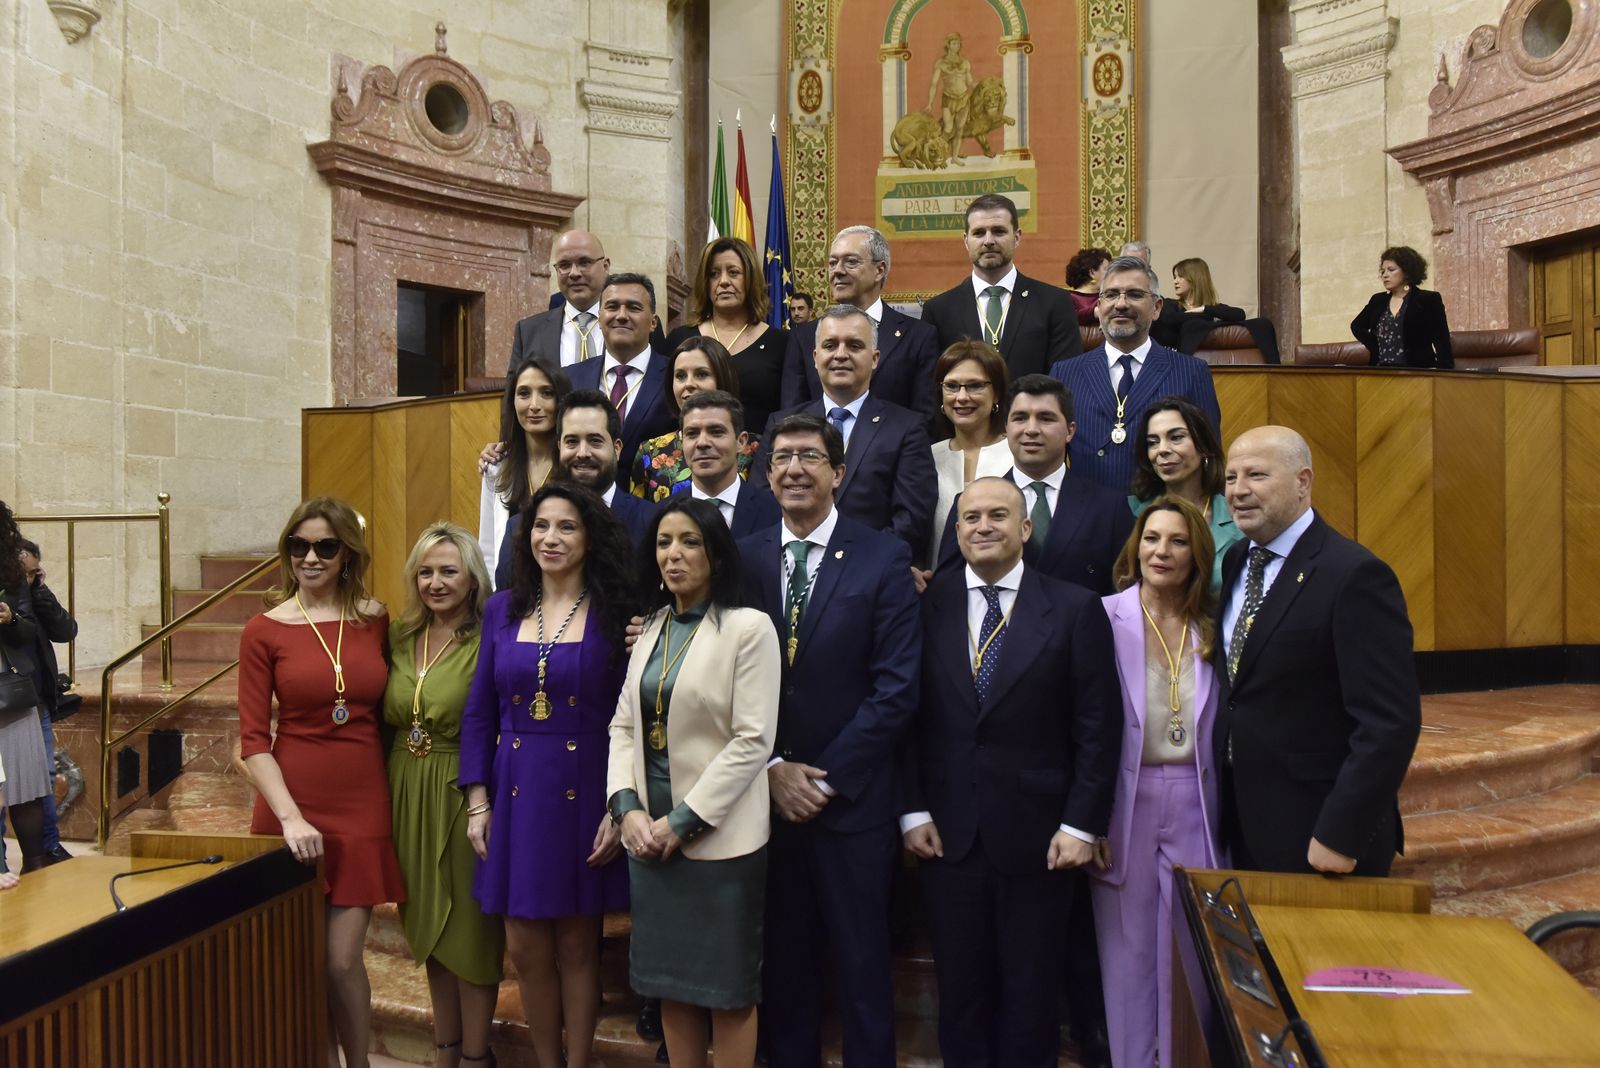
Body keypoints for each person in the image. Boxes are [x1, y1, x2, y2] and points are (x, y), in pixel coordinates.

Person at [902, 477, 1121, 1066]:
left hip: (1042, 837)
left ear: (1025, 529)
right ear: (955, 530)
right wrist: (912, 809)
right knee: (961, 995)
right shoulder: (926, 604)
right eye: (970, 517)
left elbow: (1098, 728)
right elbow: (906, 717)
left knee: (1032, 997)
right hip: (948, 834)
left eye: (999, 515)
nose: (983, 527)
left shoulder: (1075, 608)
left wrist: (1082, 825)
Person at [739, 413, 921, 1068]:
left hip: (850, 806)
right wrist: (771, 770)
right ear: (766, 474)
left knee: (862, 970)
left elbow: (896, 688)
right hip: (764, 803)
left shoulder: (882, 555)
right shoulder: (747, 555)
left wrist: (820, 778)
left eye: (809, 456)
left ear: (838, 473)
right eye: (782, 456)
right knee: (783, 969)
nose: (793, 468)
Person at [459, 482, 634, 1068]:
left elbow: (626, 720)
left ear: (590, 538)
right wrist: (477, 800)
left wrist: (619, 806)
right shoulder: (501, 607)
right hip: (514, 792)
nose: (550, 538)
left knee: (579, 945)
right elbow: (480, 709)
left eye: (566, 527)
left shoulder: (615, 613)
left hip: (585, 788)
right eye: (540, 526)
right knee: (525, 946)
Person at [607, 497, 781, 1068]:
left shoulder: (748, 628)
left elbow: (752, 741)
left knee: (727, 996)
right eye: (663, 542)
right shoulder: (653, 625)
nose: (673, 555)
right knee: (671, 988)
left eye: (689, 542)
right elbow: (624, 724)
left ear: (716, 554)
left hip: (717, 842)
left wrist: (680, 824)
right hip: (649, 842)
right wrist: (627, 809)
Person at [238, 496, 405, 1068]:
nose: (310, 557)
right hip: (290, 803)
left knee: (340, 961)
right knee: (295, 962)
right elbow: (253, 739)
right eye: (298, 546)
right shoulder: (264, 629)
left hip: (361, 801)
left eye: (325, 547)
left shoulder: (375, 618)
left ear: (346, 554)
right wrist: (288, 816)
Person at [1217, 426, 1422, 875]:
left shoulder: (1355, 576)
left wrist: (1340, 834)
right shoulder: (1236, 560)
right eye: (1231, 478)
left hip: (1320, 832)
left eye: (1256, 475)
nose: (1239, 491)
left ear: (1303, 482)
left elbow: (1389, 722)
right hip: (1245, 822)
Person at [1091, 495, 1224, 1068]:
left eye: (1176, 540)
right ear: (1134, 545)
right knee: (1127, 953)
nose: (1160, 551)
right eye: (1151, 539)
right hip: (1126, 798)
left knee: (1191, 951)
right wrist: (1088, 816)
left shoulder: (1216, 625)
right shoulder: (1101, 616)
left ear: (1197, 552)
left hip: (1197, 797)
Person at [382, 523, 503, 1068]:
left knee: (470, 933)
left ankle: (477, 1056)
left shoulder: (491, 637)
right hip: (406, 787)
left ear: (472, 577)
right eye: (425, 572)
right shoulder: (401, 637)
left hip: (462, 787)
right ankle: (445, 1051)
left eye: (448, 571)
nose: (436, 582)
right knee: (426, 923)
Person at [760, 305, 937, 558]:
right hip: (792, 566)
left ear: (875, 358)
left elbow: (912, 519)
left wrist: (856, 567)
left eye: (854, 346)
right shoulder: (781, 425)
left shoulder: (906, 428)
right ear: (814, 356)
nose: (840, 354)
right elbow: (764, 506)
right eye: (830, 345)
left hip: (872, 577)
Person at [933, 375, 1132, 597]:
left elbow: (1124, 595)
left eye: (1046, 418)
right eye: (1020, 418)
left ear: (1070, 431)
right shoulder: (970, 502)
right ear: (1007, 428)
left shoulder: (1109, 507)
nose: (1031, 429)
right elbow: (947, 591)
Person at [1049, 256, 1221, 494]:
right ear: (1098, 308)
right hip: (1089, 520)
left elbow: (1210, 459)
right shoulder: (1065, 373)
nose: (1120, 304)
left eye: (1134, 294)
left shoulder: (1191, 372)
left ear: (1157, 308)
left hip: (1163, 520)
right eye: (1111, 295)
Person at [919, 193, 1082, 381]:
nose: (988, 240)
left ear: (1017, 237)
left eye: (998, 231)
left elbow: (1067, 380)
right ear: (966, 240)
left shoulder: (1055, 302)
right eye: (979, 233)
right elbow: (933, 386)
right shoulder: (939, 311)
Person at [780, 225, 939, 416]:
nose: (837, 271)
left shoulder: (919, 336)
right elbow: (792, 415)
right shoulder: (803, 336)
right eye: (832, 263)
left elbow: (925, 418)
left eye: (850, 262)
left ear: (879, 270)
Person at [664, 238, 785, 435]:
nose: (724, 281)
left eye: (734, 272)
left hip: (761, 458)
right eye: (714, 274)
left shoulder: (781, 344)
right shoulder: (679, 339)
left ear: (750, 278)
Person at [569, 273, 677, 484]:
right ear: (599, 318)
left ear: (653, 322)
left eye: (634, 308)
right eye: (612, 307)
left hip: (654, 507)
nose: (621, 315)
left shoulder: (675, 377)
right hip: (582, 504)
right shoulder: (570, 377)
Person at [1128, 397, 1242, 590]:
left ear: (1203, 445)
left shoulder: (1237, 518)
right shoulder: (1128, 512)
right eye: (1153, 442)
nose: (1162, 450)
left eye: (1176, 437)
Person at [477, 357, 571, 587]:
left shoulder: (575, 464)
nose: (534, 405)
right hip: (511, 592)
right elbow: (488, 548)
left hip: (565, 591)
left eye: (546, 393)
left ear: (561, 401)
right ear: (512, 401)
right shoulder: (496, 466)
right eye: (524, 393)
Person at [630, 336, 759, 503]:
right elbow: (639, 520)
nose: (688, 384)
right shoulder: (649, 451)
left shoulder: (757, 450)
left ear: (723, 378)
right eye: (680, 376)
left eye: (702, 374)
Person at [0, 501, 52, 879]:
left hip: (8, 690)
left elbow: (29, 632)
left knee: (24, 787)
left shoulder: (12, 573)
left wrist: (10, 617)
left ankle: (38, 869)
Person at [926, 340, 1012, 564]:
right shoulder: (927, 457)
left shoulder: (1018, 454)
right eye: (951, 386)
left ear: (997, 394)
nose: (962, 397)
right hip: (938, 588)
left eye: (975, 386)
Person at [17, 539, 76, 864]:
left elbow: (66, 629)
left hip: (36, 699)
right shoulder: (8, 602)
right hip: (10, 701)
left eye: (34, 573)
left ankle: (49, 847)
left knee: (44, 777)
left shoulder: (36, 596)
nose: (28, 579)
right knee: (6, 785)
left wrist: (40, 590)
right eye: (24, 574)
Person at [545, 389, 655, 561]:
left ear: (617, 449)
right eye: (572, 441)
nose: (582, 453)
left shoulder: (651, 523)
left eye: (595, 441)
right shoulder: (524, 527)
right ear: (559, 448)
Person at [677, 390, 781, 537]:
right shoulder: (660, 515)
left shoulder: (775, 512)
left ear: (741, 441)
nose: (702, 443)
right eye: (692, 433)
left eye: (716, 432)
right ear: (682, 442)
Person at [509, 230, 611, 367]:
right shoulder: (529, 332)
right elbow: (515, 387)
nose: (574, 273)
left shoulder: (629, 324)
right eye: (564, 265)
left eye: (584, 262)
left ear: (605, 266)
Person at [1350, 245, 1454, 369]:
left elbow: (1441, 339)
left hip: (1417, 372)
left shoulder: (1428, 299)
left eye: (1391, 270)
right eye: (1383, 271)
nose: (1385, 275)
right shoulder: (1378, 300)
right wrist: (1376, 345)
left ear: (1407, 271)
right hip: (1380, 372)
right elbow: (1356, 326)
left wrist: (1444, 372)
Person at [1153, 256, 1247, 353]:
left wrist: (1204, 309)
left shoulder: (1212, 309)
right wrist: (1209, 317)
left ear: (1195, 278)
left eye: (1180, 276)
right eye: (1174, 277)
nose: (1175, 281)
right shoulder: (1170, 304)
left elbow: (1240, 314)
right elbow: (1170, 319)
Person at [1065, 247, 1113, 327]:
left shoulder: (1110, 296)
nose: (1111, 274)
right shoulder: (1067, 298)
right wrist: (1094, 312)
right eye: (1107, 269)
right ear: (1092, 273)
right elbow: (1064, 318)